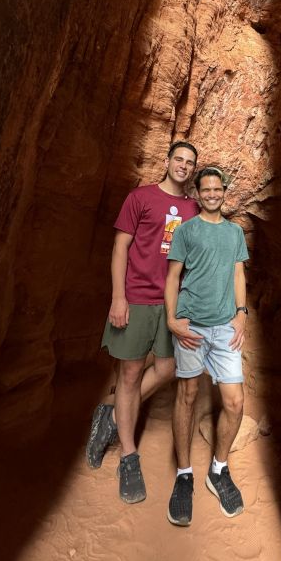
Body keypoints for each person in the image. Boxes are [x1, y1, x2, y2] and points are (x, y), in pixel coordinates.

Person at [85, 141, 199, 504]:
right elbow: (120, 247)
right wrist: (118, 297)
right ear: (167, 161)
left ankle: (112, 415)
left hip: (170, 303)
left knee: (168, 368)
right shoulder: (140, 198)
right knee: (131, 374)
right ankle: (129, 456)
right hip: (135, 298)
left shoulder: (193, 209)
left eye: (189, 162)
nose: (183, 165)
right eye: (178, 159)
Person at [164, 166, 249, 527]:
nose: (213, 194)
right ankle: (184, 475)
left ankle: (218, 469)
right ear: (197, 194)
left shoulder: (234, 232)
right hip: (192, 326)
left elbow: (238, 273)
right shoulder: (186, 230)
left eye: (218, 189)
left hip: (225, 327)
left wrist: (242, 313)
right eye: (207, 189)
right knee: (187, 395)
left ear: (224, 192)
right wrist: (172, 320)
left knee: (235, 401)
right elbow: (172, 277)